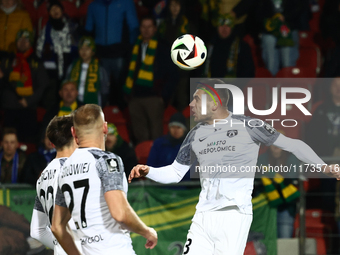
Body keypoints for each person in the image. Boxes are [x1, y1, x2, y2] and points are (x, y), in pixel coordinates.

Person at [129, 78, 340, 255]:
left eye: (197, 99)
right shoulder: (195, 134)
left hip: (234, 215)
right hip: (202, 216)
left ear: (214, 104)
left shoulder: (249, 126)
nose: (191, 104)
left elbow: (293, 144)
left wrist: (323, 167)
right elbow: (175, 172)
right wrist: (150, 171)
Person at [52, 104, 158, 254]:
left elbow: (57, 226)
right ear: (105, 128)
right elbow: (120, 213)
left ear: (73, 132)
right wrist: (147, 232)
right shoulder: (106, 160)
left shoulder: (64, 168)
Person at [30, 115, 81, 255]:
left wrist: (62, 246)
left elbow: (37, 231)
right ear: (75, 135)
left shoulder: (42, 177)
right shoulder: (77, 171)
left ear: (52, 144)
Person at [123, 15, 178, 144]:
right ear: (140, 29)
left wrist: (163, 97)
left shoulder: (163, 48)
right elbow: (125, 72)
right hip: (135, 98)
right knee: (139, 136)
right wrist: (127, 96)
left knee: (155, 136)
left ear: (154, 29)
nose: (146, 30)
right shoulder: (133, 47)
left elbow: (173, 74)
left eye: (149, 27)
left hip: (154, 98)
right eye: (143, 26)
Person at [84, 0, 139, 105]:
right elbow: (88, 29)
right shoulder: (93, 6)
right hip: (100, 54)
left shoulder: (126, 3)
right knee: (101, 87)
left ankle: (121, 113)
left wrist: (130, 51)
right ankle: (103, 113)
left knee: (122, 86)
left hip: (120, 53)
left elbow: (134, 28)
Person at [0, 29, 49, 142]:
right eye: (20, 39)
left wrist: (29, 101)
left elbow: (43, 85)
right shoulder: (7, 60)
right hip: (9, 109)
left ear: (31, 42)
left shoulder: (36, 62)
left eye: (26, 40)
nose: (22, 42)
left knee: (27, 142)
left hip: (28, 109)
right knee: (8, 142)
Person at [256, 135, 300, 238]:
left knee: (284, 241)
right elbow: (257, 176)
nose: (276, 147)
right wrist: (276, 178)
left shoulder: (292, 159)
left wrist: (270, 174)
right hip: (266, 205)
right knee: (266, 240)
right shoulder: (262, 158)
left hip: (285, 206)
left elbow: (290, 178)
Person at [259, 0, 303, 76]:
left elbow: (299, 7)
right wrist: (273, 20)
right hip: (269, 30)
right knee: (271, 65)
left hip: (289, 28)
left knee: (288, 64)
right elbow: (258, 10)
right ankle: (272, 86)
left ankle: (287, 86)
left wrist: (285, 17)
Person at [36, 0, 76, 82]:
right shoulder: (47, 28)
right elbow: (39, 46)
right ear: (49, 13)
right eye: (52, 9)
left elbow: (76, 45)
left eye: (57, 8)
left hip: (68, 62)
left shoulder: (71, 26)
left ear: (62, 10)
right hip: (51, 65)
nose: (55, 11)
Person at [205, 13, 255, 78]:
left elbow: (248, 72)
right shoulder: (209, 46)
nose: (224, 28)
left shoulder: (242, 47)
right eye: (221, 25)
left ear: (232, 28)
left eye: (228, 26)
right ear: (217, 27)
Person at [66, 36, 110, 107]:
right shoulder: (72, 66)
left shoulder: (100, 68)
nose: (84, 51)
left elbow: (104, 89)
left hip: (93, 105)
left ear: (93, 51)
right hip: (74, 104)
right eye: (81, 49)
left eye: (87, 49)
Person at [147, 112, 191, 180]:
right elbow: (151, 166)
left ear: (184, 129)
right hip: (159, 185)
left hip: (183, 186)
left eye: (178, 127)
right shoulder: (159, 143)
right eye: (172, 127)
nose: (175, 130)